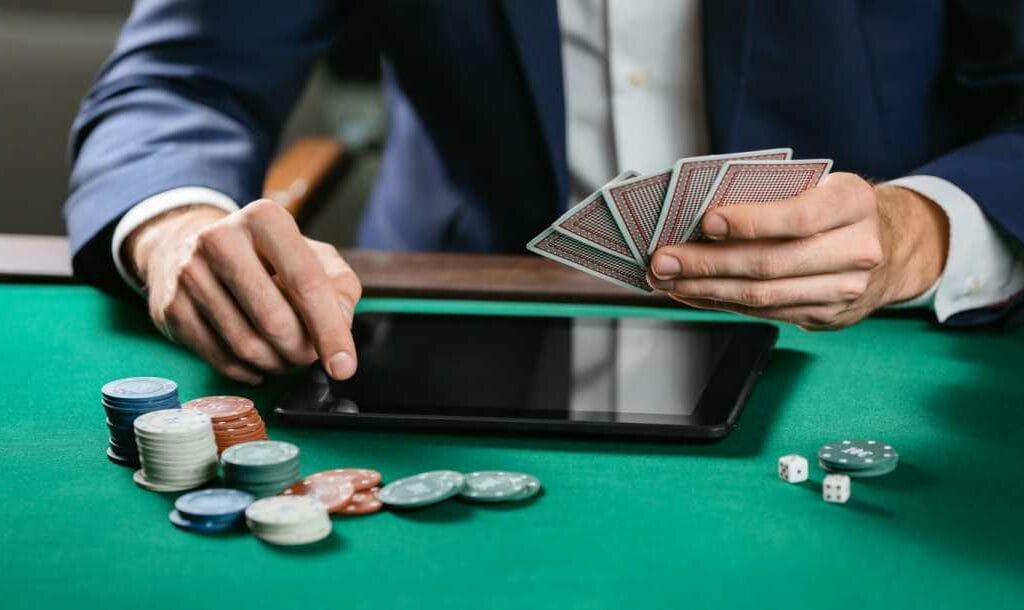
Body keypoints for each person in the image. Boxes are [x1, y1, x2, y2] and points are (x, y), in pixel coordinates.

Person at [66, 1, 1024, 385]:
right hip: (448, 327)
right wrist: (175, 228)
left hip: (879, 343)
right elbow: (182, 79)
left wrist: (922, 231)